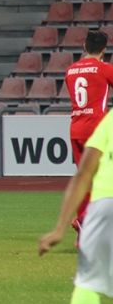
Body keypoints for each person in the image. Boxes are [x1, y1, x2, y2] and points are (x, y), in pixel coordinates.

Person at [39, 95, 113, 304]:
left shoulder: (109, 122)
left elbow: (83, 174)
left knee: (88, 283)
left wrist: (59, 229)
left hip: (104, 207)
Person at [61, 30, 113, 237]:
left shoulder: (71, 70)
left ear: (84, 47)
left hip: (76, 128)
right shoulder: (105, 68)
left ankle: (85, 234)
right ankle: (83, 220)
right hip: (96, 130)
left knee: (85, 179)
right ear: (104, 50)